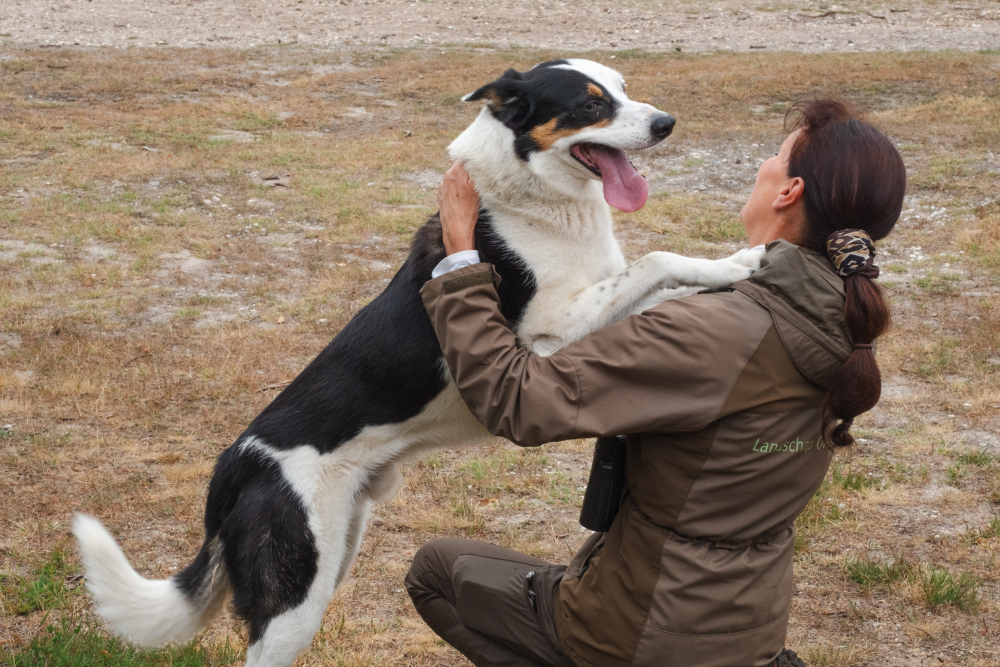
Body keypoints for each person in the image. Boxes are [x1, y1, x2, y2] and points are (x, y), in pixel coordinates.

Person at [404, 100, 905, 667]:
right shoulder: (844, 315)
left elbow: (518, 401)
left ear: (787, 192)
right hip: (749, 631)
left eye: (775, 156)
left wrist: (460, 254)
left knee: (437, 571)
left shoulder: (715, 333)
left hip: (639, 635)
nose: (763, 164)